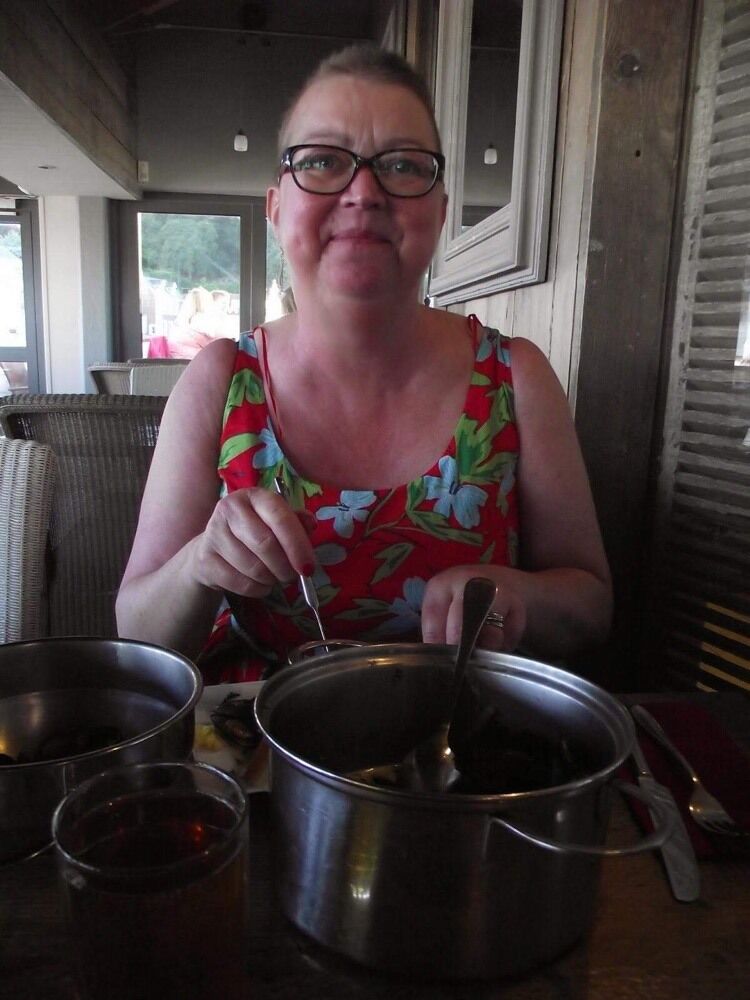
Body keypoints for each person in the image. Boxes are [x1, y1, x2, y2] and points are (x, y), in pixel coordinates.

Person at [116, 44, 612, 683]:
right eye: (323, 161)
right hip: (252, 734)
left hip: (457, 728)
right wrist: (200, 563)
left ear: (440, 212)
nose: (363, 191)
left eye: (402, 165)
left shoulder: (516, 377)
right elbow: (137, 631)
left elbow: (591, 605)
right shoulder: (218, 380)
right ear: (275, 208)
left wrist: (519, 597)